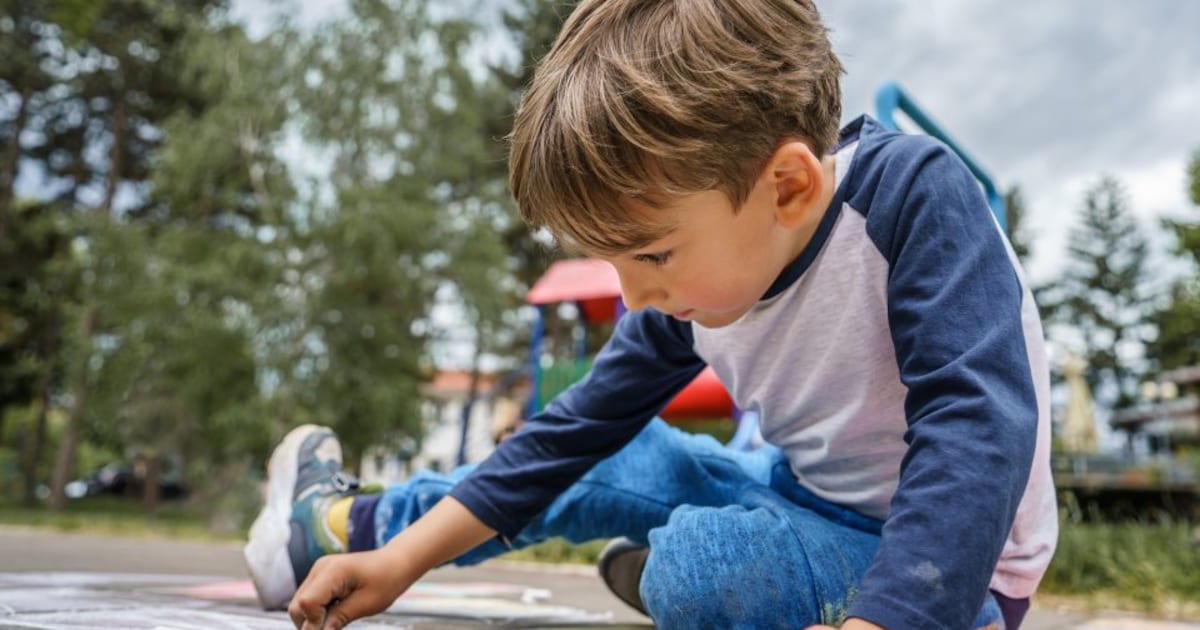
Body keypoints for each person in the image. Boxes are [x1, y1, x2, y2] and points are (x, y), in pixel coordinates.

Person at [243, 0, 1058, 628]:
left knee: (700, 568)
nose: (633, 297)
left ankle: (732, 580)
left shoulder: (914, 201)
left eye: (654, 255)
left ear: (787, 187)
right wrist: (401, 564)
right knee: (614, 457)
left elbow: (976, 428)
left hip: (957, 570)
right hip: (796, 496)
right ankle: (341, 532)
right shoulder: (695, 281)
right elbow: (568, 437)